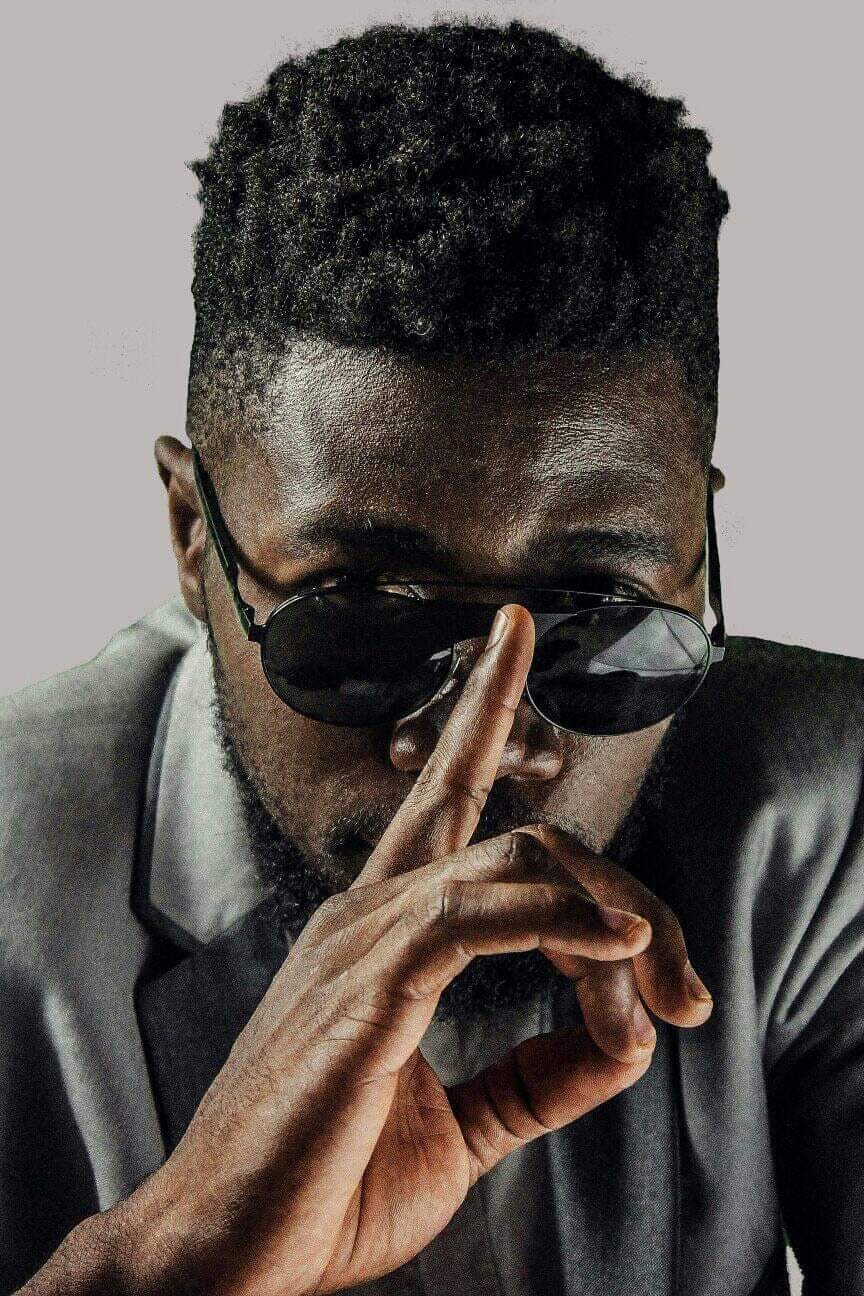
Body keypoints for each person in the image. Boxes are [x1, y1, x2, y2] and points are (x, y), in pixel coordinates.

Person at [2, 17, 861, 1296]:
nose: (485, 737)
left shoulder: (828, 818)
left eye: (596, 610)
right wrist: (165, 1264)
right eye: (359, 615)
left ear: (701, 550)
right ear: (193, 538)